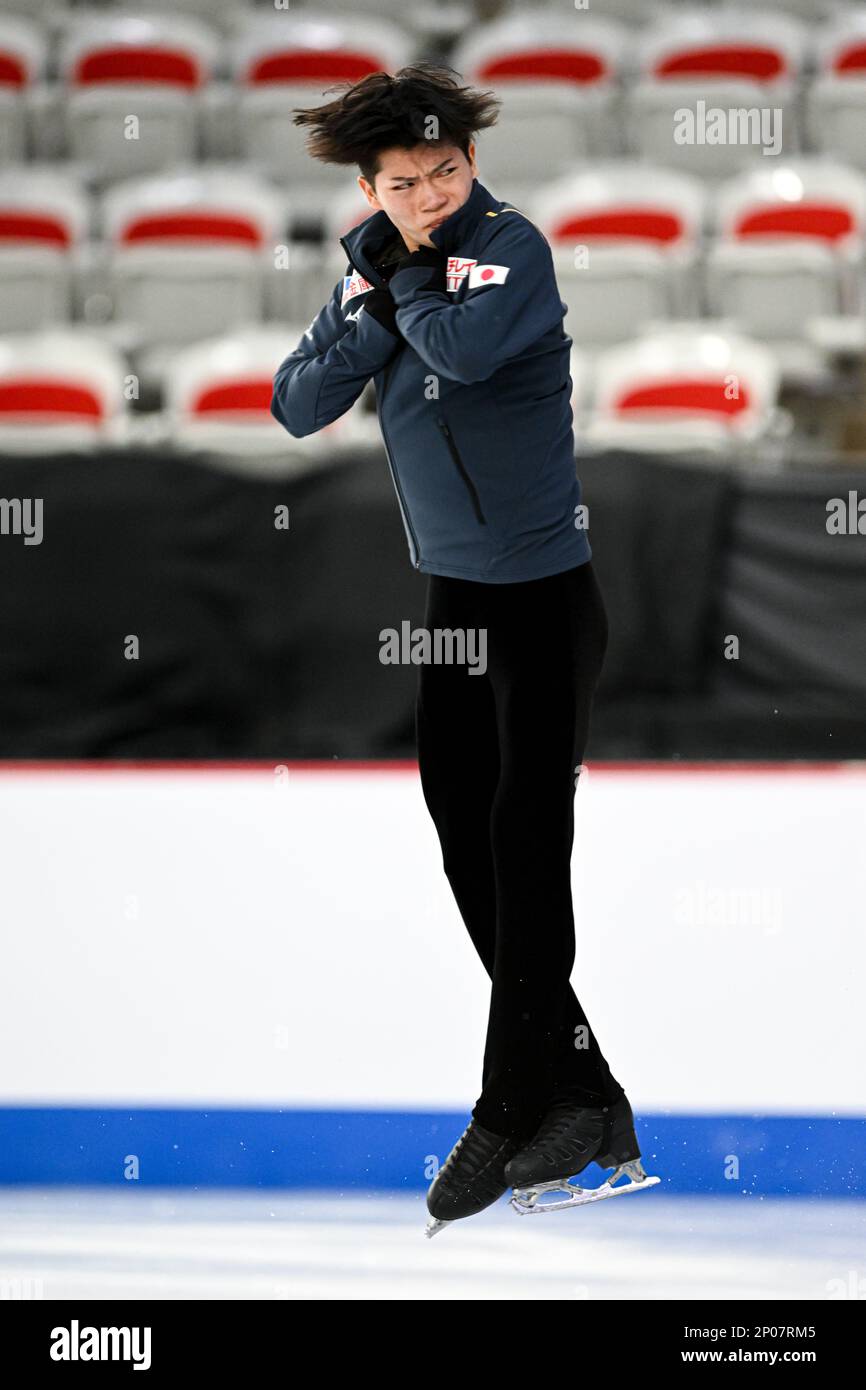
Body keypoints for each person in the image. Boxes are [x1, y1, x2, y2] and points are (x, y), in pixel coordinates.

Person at [271, 63, 648, 1235]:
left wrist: (395, 287)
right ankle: (586, 1094)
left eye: (443, 172)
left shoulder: (511, 250)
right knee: (462, 838)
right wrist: (377, 298)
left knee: (523, 845)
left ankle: (507, 1105)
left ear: (471, 162)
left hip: (543, 600)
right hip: (457, 604)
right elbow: (295, 402)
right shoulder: (373, 271)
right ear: (369, 189)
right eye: (403, 184)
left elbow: (466, 352)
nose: (429, 196)